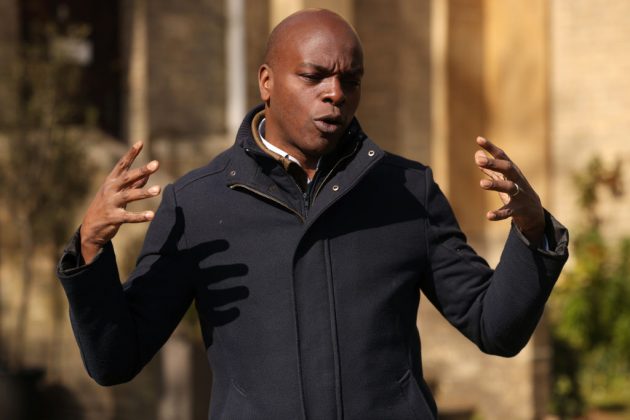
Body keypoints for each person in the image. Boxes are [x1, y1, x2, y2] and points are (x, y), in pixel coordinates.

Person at [57, 8, 569, 420]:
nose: (335, 93)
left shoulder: (406, 191)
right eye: (314, 76)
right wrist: (90, 249)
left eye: (351, 80)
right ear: (266, 81)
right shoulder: (197, 204)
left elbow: (494, 327)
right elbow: (114, 360)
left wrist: (533, 231)